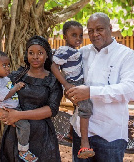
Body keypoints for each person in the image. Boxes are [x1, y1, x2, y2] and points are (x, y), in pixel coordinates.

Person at [66, 12, 134, 162]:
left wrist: (90, 92)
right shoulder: (82, 53)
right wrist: (69, 91)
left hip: (110, 135)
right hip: (81, 132)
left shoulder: (127, 55)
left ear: (110, 28)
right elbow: (68, 74)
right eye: (90, 30)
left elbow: (132, 89)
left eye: (99, 29)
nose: (95, 34)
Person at [0, 36, 63, 162]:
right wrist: (1, 113)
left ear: (47, 55)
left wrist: (18, 115)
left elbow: (52, 109)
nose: (35, 57)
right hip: (15, 134)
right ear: (26, 54)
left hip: (42, 137)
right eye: (31, 53)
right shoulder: (15, 76)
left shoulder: (53, 81)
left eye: (40, 53)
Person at [51, 21, 95, 159]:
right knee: (86, 107)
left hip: (78, 83)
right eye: (74, 35)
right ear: (65, 36)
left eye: (81, 35)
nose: (78, 38)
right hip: (73, 84)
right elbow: (53, 66)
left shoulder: (74, 51)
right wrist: (66, 84)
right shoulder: (64, 50)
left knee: (78, 110)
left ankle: (71, 133)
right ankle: (84, 142)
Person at [0, 50, 38, 162]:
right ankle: (23, 151)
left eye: (8, 65)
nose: (7, 68)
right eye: (3, 65)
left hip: (15, 109)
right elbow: (5, 95)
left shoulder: (5, 78)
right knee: (24, 126)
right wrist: (16, 87)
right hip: (9, 111)